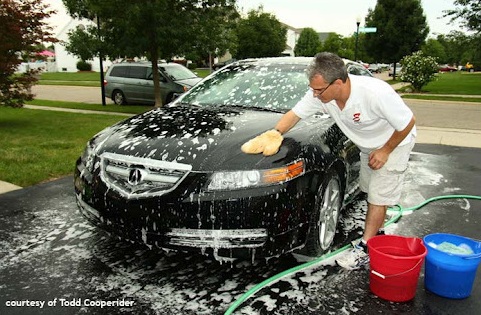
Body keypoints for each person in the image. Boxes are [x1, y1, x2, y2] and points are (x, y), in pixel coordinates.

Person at [242, 52, 416, 270]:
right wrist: (274, 133)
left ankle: (367, 249)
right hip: (368, 146)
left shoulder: (374, 93)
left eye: (319, 90)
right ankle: (379, 235)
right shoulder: (321, 94)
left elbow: (407, 122)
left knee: (378, 197)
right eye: (312, 89)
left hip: (394, 143)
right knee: (370, 189)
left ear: (339, 83)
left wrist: (386, 150)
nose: (315, 95)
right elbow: (295, 114)